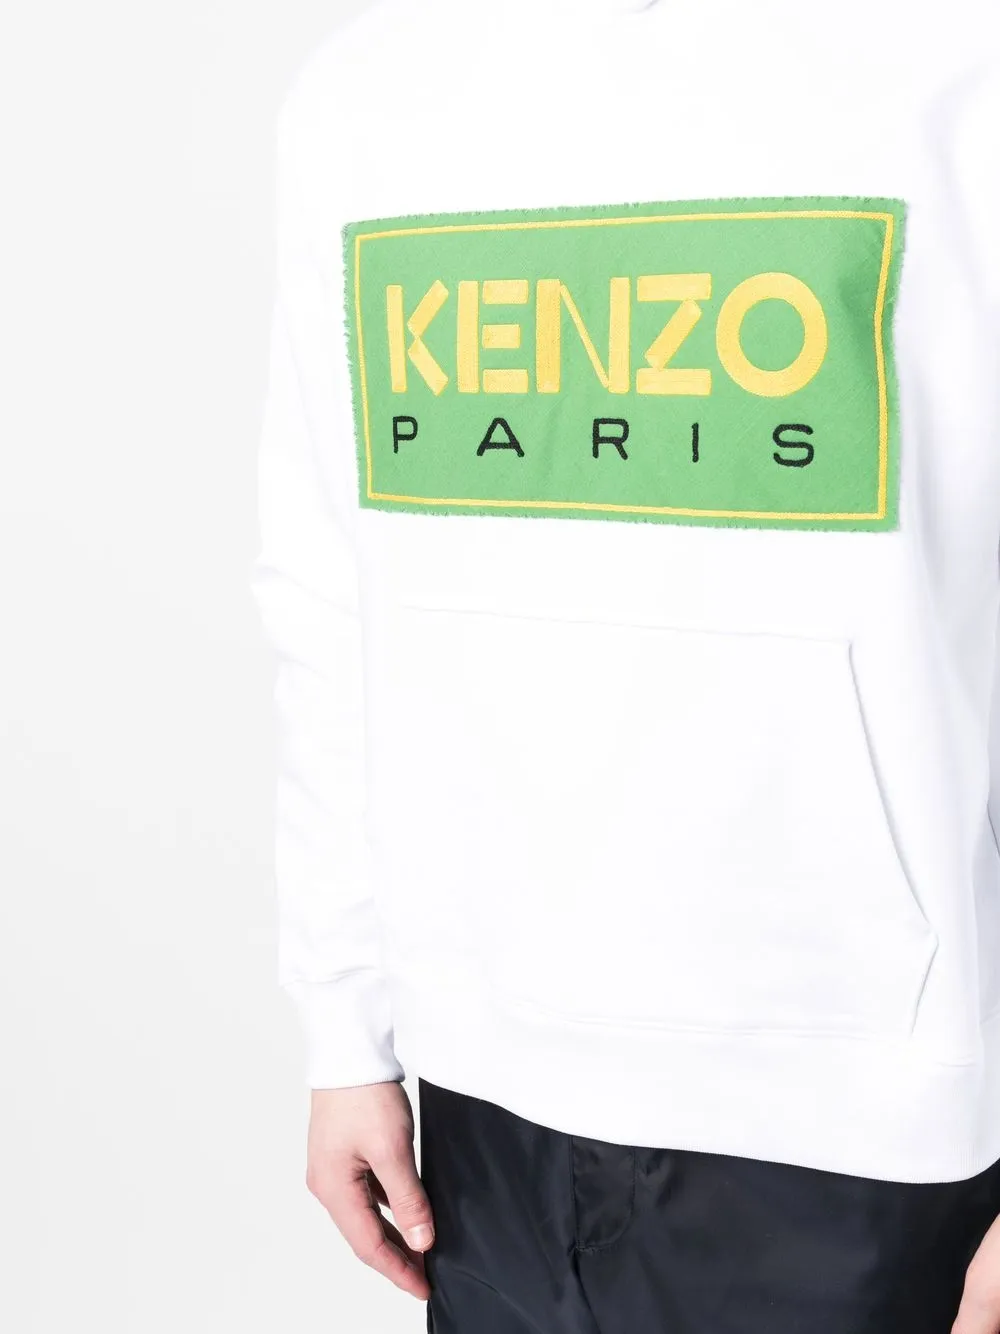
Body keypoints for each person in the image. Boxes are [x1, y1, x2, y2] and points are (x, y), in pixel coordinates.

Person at [250, 0, 1000, 1328]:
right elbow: (329, 585)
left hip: (868, 1116)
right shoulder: (366, 91)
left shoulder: (958, 58)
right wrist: (346, 1025)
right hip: (480, 1099)